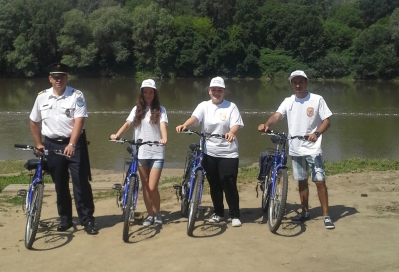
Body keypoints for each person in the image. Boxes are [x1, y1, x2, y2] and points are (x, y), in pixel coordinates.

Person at [258, 70, 335, 229]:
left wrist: (316, 133)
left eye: (301, 82)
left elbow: (327, 121)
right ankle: (305, 212)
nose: (298, 85)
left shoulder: (317, 99)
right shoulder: (288, 101)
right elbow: (277, 115)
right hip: (295, 149)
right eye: (295, 82)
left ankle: (326, 215)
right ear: (291, 84)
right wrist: (267, 124)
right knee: (302, 181)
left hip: (313, 149)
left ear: (306, 82)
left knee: (319, 181)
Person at [29, 63, 98, 235]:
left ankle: (87, 219)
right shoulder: (42, 97)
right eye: (55, 77)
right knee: (60, 183)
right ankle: (65, 219)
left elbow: (79, 120)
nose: (58, 79)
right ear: (50, 79)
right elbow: (34, 121)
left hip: (74, 143)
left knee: (80, 182)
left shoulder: (76, 95)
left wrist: (72, 144)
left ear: (66, 78)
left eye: (62, 76)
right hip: (52, 144)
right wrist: (38, 144)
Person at [176, 76, 244, 227]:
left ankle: (235, 215)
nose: (216, 93)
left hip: (228, 152)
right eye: (214, 90)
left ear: (224, 91)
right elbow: (195, 118)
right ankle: (219, 213)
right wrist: (185, 125)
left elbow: (236, 124)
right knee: (214, 184)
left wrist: (232, 132)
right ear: (209, 91)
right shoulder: (204, 106)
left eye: (219, 90)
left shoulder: (231, 107)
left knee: (228, 183)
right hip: (209, 152)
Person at [110, 79, 168, 227]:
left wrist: (164, 138)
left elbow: (163, 126)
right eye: (145, 92)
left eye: (151, 92)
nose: (148, 94)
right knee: (146, 185)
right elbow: (128, 123)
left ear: (154, 93)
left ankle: (157, 213)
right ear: (141, 93)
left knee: (153, 186)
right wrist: (117, 134)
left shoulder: (161, 109)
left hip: (157, 152)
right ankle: (150, 214)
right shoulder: (137, 109)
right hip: (141, 152)